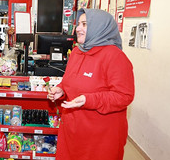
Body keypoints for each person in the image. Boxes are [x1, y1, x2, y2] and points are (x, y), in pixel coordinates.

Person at [48, 8, 135, 160]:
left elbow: (124, 96)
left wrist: (88, 100)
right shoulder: (77, 52)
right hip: (72, 130)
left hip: (100, 136)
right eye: (78, 24)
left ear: (99, 27)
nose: (78, 28)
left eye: (85, 24)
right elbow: (71, 80)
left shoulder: (115, 57)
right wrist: (61, 89)